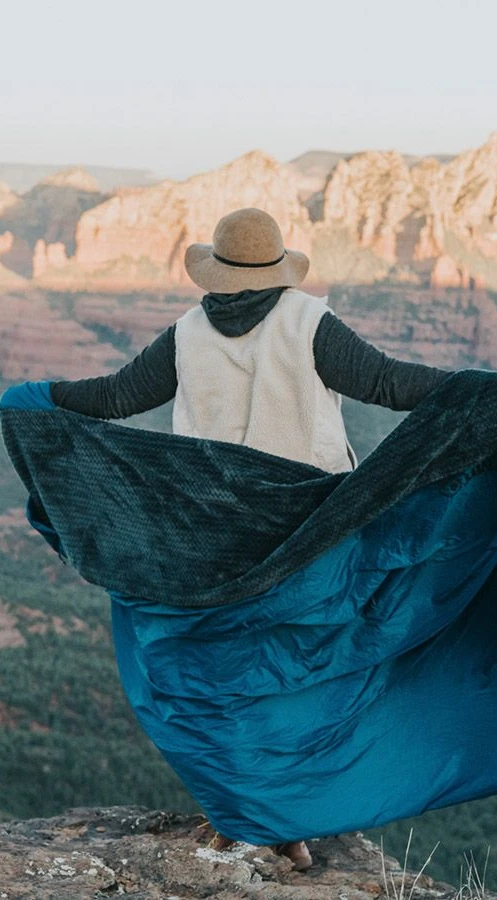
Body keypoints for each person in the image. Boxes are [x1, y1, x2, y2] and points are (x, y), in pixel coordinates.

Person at [43, 207, 452, 871]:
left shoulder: (187, 333)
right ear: (277, 268)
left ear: (217, 271)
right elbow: (388, 383)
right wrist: (476, 390)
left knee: (225, 673)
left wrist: (44, 395)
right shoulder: (308, 323)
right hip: (306, 530)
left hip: (212, 532)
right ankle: (282, 818)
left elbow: (116, 396)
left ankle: (252, 817)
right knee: (300, 669)